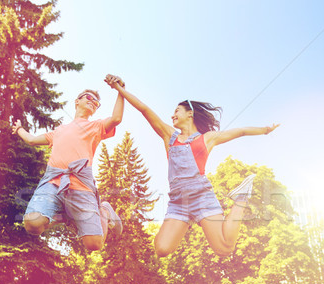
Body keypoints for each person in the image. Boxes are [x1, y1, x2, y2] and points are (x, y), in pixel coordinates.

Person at [107, 79, 279, 257]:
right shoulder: (169, 136)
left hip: (201, 198)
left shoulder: (207, 138)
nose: (172, 116)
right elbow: (144, 109)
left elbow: (241, 131)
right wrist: (120, 89)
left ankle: (241, 198)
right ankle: (185, 223)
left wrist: (265, 130)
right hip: (178, 203)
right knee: (162, 249)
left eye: (176, 111)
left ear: (190, 114)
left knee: (225, 248)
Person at [13, 75, 125, 251]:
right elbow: (33, 140)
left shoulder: (96, 127)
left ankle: (102, 211)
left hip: (81, 187)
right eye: (89, 97)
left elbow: (117, 118)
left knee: (94, 245)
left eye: (97, 103)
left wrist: (120, 91)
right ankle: (67, 216)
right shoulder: (59, 131)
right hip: (53, 183)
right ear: (77, 101)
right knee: (32, 225)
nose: (94, 102)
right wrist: (19, 129)